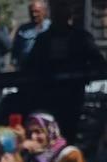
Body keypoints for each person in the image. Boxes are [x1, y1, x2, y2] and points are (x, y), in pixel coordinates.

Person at [24, 3, 106, 139]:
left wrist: (84, 73)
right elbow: (30, 65)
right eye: (57, 13)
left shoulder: (81, 38)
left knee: (69, 129)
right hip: (48, 94)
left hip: (72, 93)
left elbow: (98, 62)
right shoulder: (43, 39)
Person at [13, 0, 51, 70]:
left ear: (44, 11)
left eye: (37, 11)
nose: (34, 14)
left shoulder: (50, 27)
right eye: (31, 12)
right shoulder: (23, 29)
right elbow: (15, 51)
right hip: (27, 68)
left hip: (47, 67)